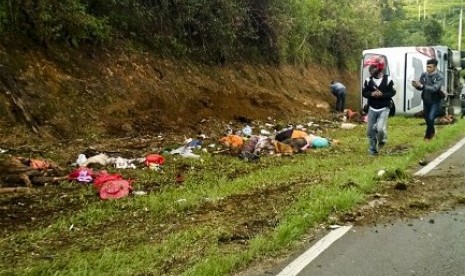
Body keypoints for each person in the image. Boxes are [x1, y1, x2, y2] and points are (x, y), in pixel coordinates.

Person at [362, 59, 396, 155]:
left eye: (373, 67)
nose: (371, 69)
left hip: (384, 107)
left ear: (379, 68)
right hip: (372, 107)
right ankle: (372, 150)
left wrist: (382, 94)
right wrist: (372, 94)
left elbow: (392, 92)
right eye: (370, 67)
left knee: (380, 128)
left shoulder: (388, 80)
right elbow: (364, 93)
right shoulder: (368, 80)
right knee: (370, 131)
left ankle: (382, 140)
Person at [412, 58, 444, 140]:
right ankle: (432, 131)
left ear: (435, 67)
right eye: (427, 66)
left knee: (431, 117)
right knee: (427, 119)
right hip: (426, 100)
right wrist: (417, 86)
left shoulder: (440, 76)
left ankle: (427, 136)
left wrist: (422, 86)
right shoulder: (424, 74)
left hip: (435, 100)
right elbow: (421, 87)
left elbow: (435, 88)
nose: (428, 68)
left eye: (430, 67)